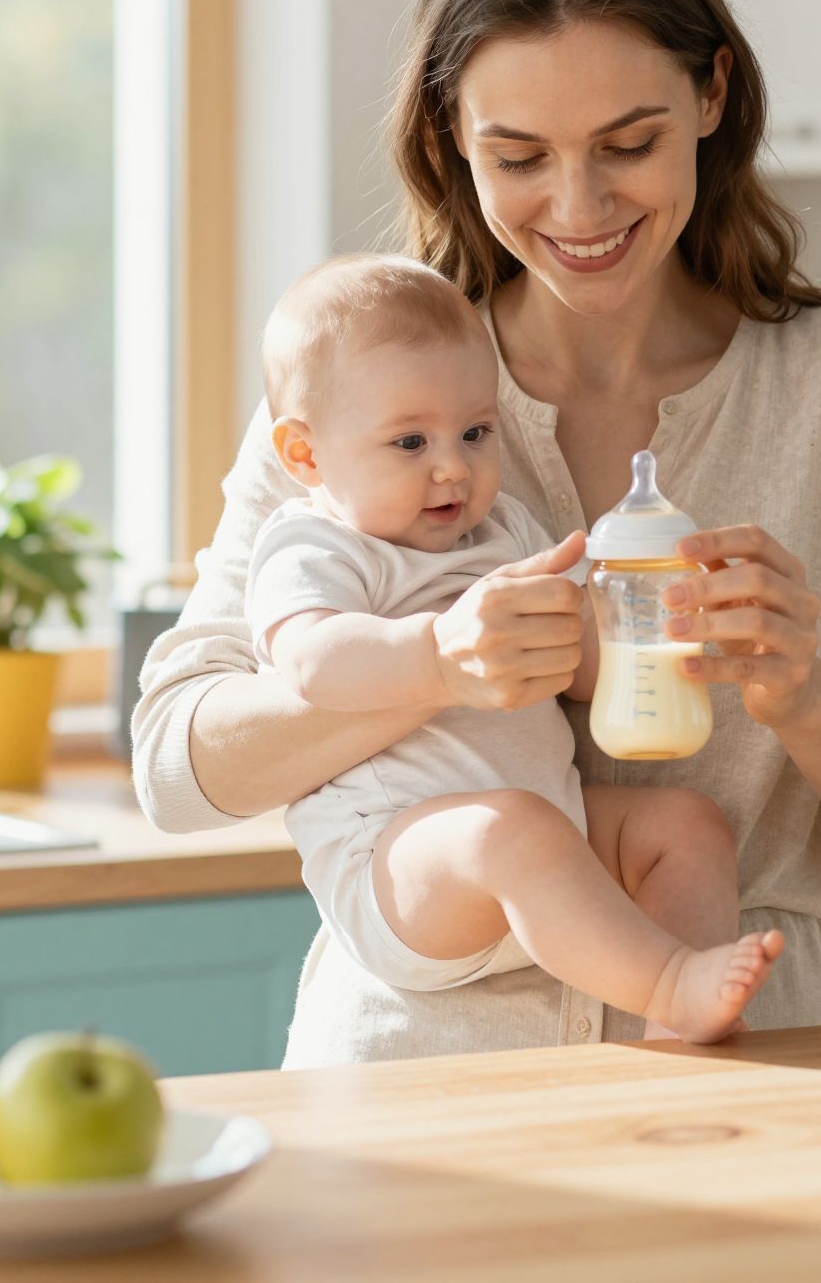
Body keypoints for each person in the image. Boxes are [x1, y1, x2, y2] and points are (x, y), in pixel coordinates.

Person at [131, 0, 821, 1066]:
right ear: (450, 137)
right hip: (416, 1079)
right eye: (520, 155)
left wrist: (804, 696)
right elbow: (179, 767)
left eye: (626, 143)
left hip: (748, 1073)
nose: (578, 204)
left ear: (710, 94)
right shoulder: (363, 394)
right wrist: (434, 667)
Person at [248, 253, 780, 1043]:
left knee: (685, 825)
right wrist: (436, 656)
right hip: (399, 864)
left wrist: (652, 623)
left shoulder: (501, 533)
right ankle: (670, 984)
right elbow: (312, 663)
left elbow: (578, 664)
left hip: (546, 836)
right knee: (512, 831)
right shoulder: (316, 546)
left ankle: (682, 1031)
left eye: (474, 431)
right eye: (409, 443)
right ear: (305, 455)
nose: (452, 467)